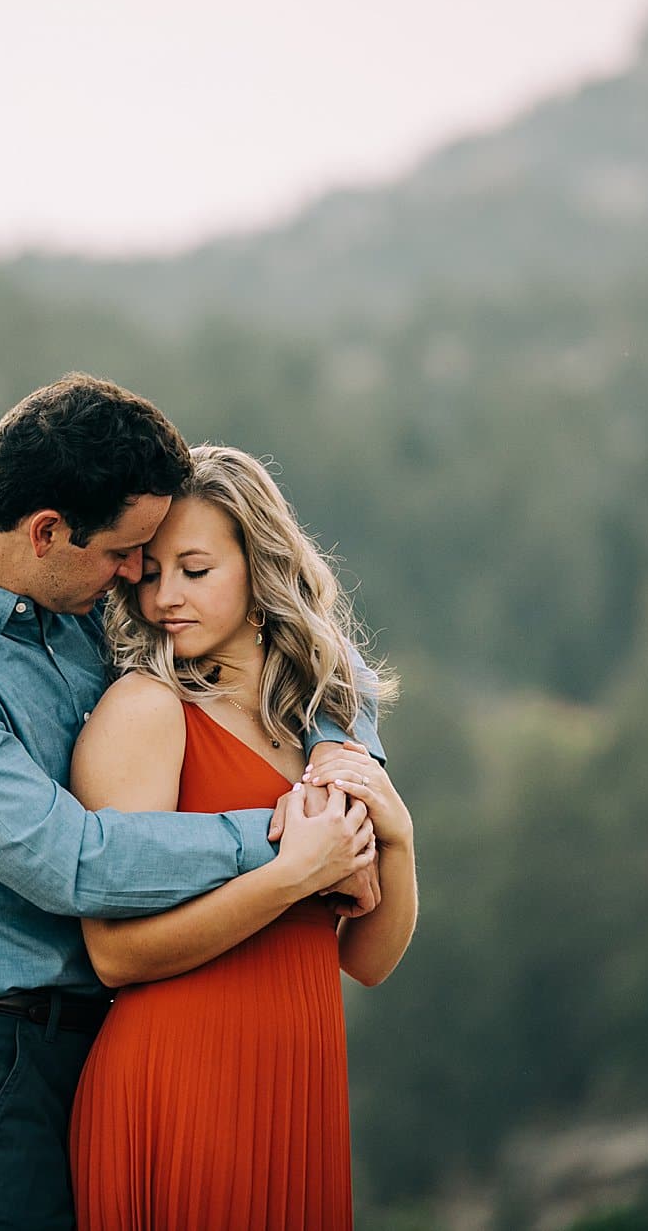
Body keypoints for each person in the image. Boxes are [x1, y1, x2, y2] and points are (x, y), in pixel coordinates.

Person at [0, 376, 386, 1231]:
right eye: (124, 552)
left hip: (116, 1040)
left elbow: (310, 644)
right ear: (47, 531)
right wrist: (287, 841)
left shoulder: (82, 601)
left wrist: (339, 761)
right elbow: (77, 861)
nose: (141, 578)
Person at [69, 445, 418, 1231]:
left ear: (259, 570)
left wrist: (397, 839)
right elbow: (114, 952)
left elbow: (366, 960)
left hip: (298, 1082)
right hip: (185, 1077)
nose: (165, 597)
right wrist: (293, 876)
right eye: (152, 572)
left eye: (194, 569)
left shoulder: (316, 729)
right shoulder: (146, 711)